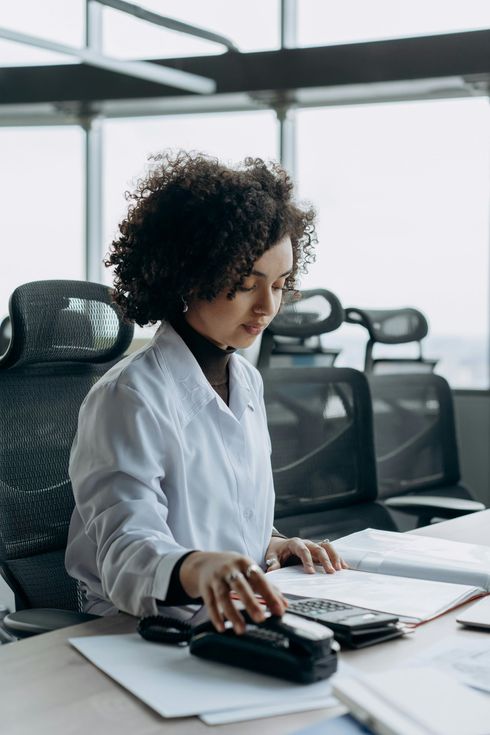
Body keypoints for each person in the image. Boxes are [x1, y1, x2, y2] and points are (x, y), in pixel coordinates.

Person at [65, 151, 346, 634]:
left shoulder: (248, 382)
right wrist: (199, 569)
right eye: (245, 284)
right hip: (136, 628)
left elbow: (227, 513)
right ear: (190, 274)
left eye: (280, 285)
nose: (267, 306)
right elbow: (125, 549)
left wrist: (271, 544)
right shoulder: (129, 396)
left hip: (235, 613)